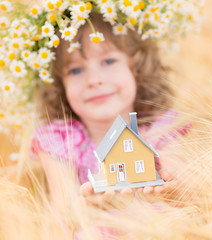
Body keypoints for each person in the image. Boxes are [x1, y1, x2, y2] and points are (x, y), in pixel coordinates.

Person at [31, 10, 191, 224]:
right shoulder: (60, 139)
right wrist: (86, 208)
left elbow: (181, 180)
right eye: (76, 71)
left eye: (108, 61)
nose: (94, 80)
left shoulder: (161, 129)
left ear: (136, 67)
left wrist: (173, 189)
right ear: (60, 85)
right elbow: (64, 209)